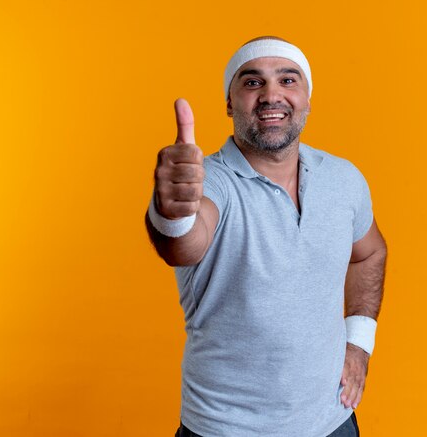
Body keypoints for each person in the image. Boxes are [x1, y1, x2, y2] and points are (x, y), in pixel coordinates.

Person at [145, 36, 387, 437]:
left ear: (307, 98)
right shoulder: (212, 181)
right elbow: (184, 244)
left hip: (332, 420)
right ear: (229, 102)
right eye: (253, 82)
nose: (271, 95)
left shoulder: (344, 179)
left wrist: (360, 343)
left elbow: (369, 253)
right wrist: (172, 211)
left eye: (288, 81)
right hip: (225, 429)